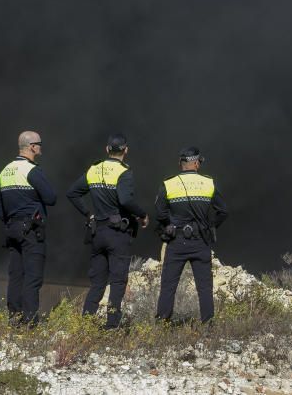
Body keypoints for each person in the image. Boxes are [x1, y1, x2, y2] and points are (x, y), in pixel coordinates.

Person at [66, 133, 149, 328]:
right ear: (126, 150)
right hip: (117, 234)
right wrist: (142, 215)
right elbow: (126, 200)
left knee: (97, 283)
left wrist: (88, 214)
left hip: (98, 233)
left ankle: (85, 324)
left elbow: (72, 193)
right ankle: (111, 327)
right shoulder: (124, 172)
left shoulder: (93, 169)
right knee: (118, 282)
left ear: (107, 149)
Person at [154, 146, 228, 324]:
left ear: (181, 163)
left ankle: (162, 325)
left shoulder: (169, 183)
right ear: (196, 163)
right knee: (204, 287)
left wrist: (168, 225)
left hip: (176, 242)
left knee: (169, 286)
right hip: (200, 240)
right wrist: (211, 226)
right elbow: (223, 211)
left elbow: (159, 213)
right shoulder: (208, 183)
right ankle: (209, 325)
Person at [0, 131, 56, 326]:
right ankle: (30, 320)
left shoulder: (5, 170)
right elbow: (51, 198)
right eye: (39, 144)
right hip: (31, 230)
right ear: (32, 147)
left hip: (12, 229)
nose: (41, 147)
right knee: (33, 276)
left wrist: (9, 220)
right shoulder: (32, 171)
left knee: (16, 275)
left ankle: (14, 318)